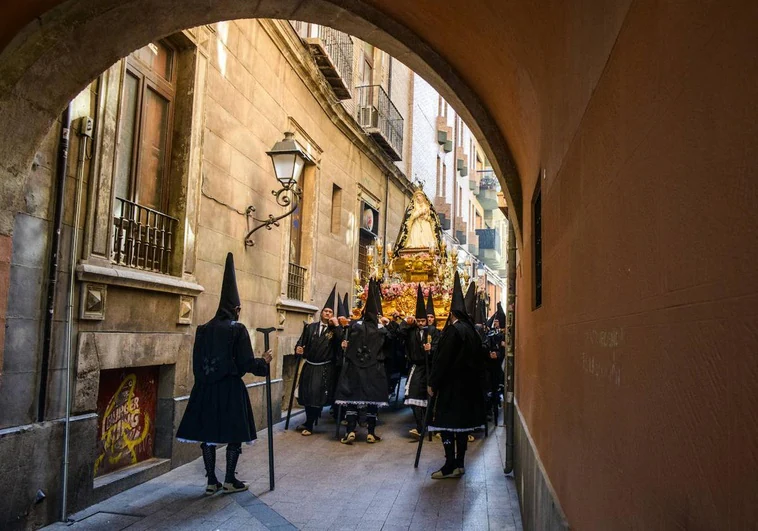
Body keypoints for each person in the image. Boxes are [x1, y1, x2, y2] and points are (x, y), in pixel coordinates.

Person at [176, 253, 273, 494]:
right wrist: (264, 361)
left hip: (205, 389)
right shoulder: (237, 329)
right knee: (234, 435)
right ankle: (229, 480)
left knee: (207, 436)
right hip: (230, 388)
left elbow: (196, 361)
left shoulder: (203, 329)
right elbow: (247, 362)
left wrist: (205, 381)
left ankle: (211, 482)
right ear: (236, 308)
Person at [427, 272, 486, 479]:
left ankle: (449, 465)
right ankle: (460, 463)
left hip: (452, 387)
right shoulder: (473, 333)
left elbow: (443, 360)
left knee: (447, 426)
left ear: (452, 313)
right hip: (468, 388)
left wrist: (433, 382)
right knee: (461, 427)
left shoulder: (454, 331)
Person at [334, 279, 392, 444]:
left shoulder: (354, 327)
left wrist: (345, 343)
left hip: (354, 368)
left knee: (352, 399)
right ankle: (370, 433)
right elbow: (390, 346)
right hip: (374, 369)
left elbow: (346, 343)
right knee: (372, 402)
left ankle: (350, 431)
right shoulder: (381, 330)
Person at [389, 285, 437, 439]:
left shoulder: (434, 332)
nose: (423, 323)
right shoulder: (410, 331)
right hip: (416, 367)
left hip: (430, 367)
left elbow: (439, 346)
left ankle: (430, 425)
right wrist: (406, 322)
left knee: (430, 398)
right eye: (420, 320)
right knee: (413, 396)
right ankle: (420, 426)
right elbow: (398, 334)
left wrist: (432, 348)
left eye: (425, 320)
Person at [295, 285, 341, 436]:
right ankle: (309, 420)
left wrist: (337, 326)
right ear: (321, 313)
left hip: (324, 368)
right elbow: (301, 342)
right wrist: (298, 349)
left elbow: (340, 344)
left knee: (317, 395)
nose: (328, 314)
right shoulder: (310, 327)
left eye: (330, 312)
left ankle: (310, 424)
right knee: (307, 394)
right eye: (326, 311)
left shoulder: (334, 330)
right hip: (309, 365)